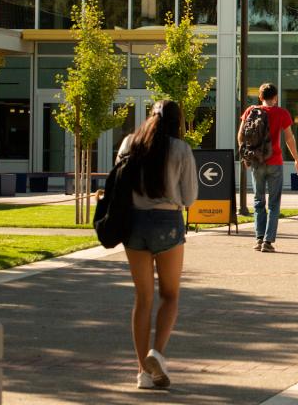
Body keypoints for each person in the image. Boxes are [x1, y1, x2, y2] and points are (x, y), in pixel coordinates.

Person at [118, 100, 198, 391]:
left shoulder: (130, 143)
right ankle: (157, 354)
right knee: (170, 295)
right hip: (166, 223)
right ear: (178, 122)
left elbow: (119, 183)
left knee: (143, 298)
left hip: (133, 224)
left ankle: (142, 372)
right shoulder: (180, 149)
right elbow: (189, 198)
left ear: (150, 117)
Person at [238, 83, 298, 253]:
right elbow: (289, 138)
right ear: (275, 97)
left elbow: (241, 135)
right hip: (275, 162)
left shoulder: (251, 111)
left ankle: (259, 239)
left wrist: (246, 155)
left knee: (259, 201)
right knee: (274, 203)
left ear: (260, 97)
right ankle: (268, 241)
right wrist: (296, 158)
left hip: (257, 162)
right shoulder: (282, 113)